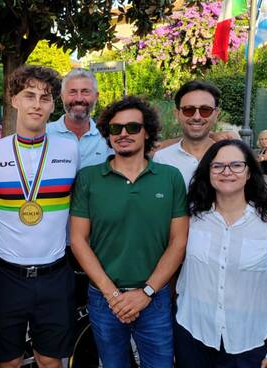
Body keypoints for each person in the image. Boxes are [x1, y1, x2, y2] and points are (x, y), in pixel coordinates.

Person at [69, 96, 189, 368]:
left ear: (147, 132)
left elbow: (178, 242)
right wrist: (113, 295)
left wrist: (146, 292)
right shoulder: (88, 178)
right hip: (104, 299)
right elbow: (78, 240)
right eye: (115, 129)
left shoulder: (170, 178)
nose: (123, 134)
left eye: (133, 127)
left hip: (154, 298)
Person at [0, 65, 79, 368]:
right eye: (29, 95)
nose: (37, 104)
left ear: (52, 104)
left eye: (45, 98)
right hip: (6, 276)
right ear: (14, 100)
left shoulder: (70, 149)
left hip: (55, 274)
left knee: (50, 360)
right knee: (7, 362)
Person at [175, 139, 267, 368]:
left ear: (249, 172)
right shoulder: (191, 217)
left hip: (248, 344)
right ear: (208, 172)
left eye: (236, 165)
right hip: (192, 335)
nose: (227, 172)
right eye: (218, 166)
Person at [153, 80, 267, 229]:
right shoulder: (162, 158)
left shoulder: (232, 159)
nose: (196, 116)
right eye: (188, 110)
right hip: (173, 246)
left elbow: (256, 194)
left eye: (205, 110)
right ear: (177, 114)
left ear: (216, 114)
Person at [47, 68, 113, 168]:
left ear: (96, 96)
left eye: (85, 92)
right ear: (62, 97)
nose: (78, 99)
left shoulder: (108, 138)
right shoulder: (45, 135)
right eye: (72, 92)